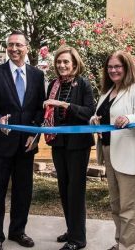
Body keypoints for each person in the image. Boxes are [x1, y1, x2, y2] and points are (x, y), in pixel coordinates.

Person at [0, 31, 45, 250]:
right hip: (0, 144)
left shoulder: (37, 76)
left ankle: (18, 231)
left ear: (27, 48)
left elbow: (40, 109)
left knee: (23, 191)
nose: (14, 49)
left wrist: (34, 134)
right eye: (10, 45)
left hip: (26, 146)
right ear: (6, 48)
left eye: (19, 45)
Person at [91, 51, 135, 250]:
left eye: (118, 66)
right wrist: (95, 120)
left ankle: (128, 247)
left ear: (127, 68)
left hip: (130, 157)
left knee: (130, 209)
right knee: (116, 206)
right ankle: (119, 243)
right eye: (110, 67)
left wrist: (129, 119)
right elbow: (103, 115)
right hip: (109, 153)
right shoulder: (108, 90)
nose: (113, 70)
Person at [43, 46, 94, 250]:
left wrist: (63, 105)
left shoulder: (83, 84)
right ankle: (71, 230)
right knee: (64, 188)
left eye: (66, 62)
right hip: (58, 142)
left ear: (74, 64)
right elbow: (47, 113)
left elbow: (88, 112)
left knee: (75, 190)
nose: (62, 65)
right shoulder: (53, 85)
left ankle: (78, 240)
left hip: (78, 145)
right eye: (59, 62)